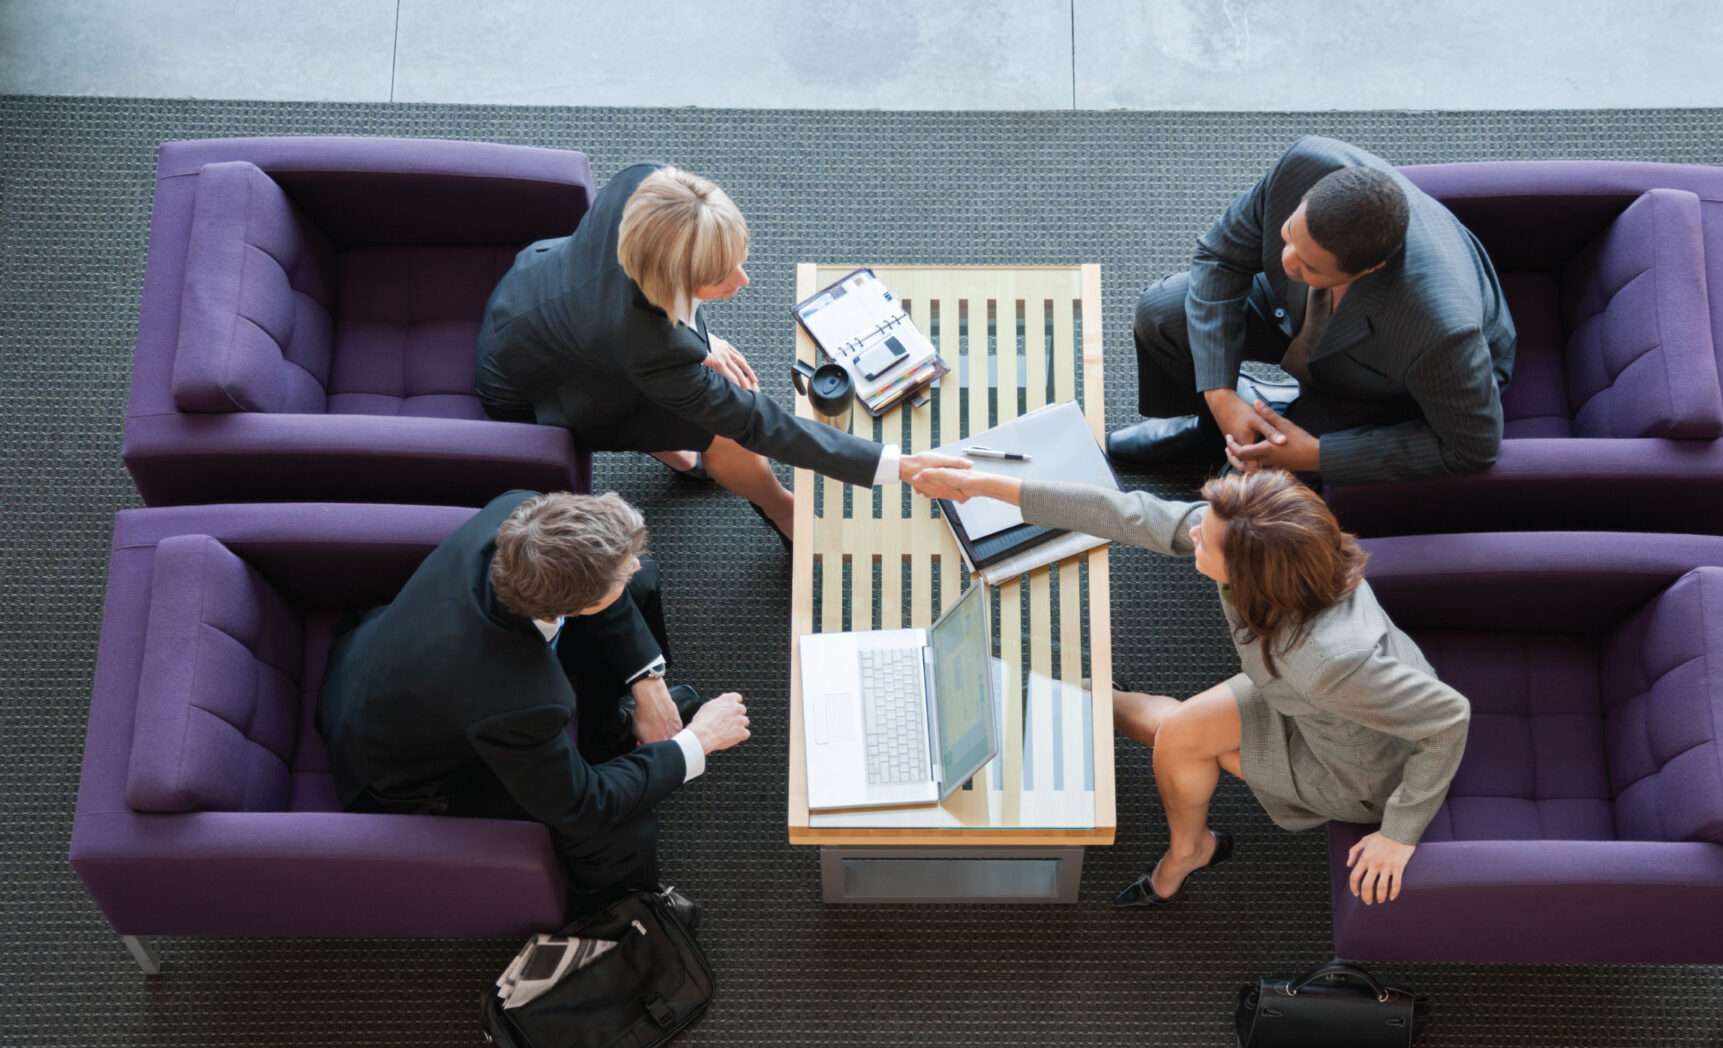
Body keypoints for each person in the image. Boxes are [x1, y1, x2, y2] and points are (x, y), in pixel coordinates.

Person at [910, 465, 1469, 909]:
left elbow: (1448, 718)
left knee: (1174, 739)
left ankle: (1185, 849)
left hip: (1349, 765)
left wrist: (1399, 832)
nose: (1195, 532)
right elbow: (1129, 514)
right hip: (1297, 700)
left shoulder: (1328, 659)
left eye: (1209, 540)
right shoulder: (1281, 555)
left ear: (1252, 577)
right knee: (1175, 735)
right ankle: (1090, 706)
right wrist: (984, 486)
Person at [473, 163, 966, 542]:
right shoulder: (650, 348)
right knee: (726, 431)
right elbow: (759, 423)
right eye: (720, 278)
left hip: (531, 293)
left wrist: (700, 340)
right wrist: (898, 465)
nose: (743, 282)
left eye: (738, 260)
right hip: (541, 382)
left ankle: (676, 449)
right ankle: (779, 508)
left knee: (686, 392)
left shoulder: (647, 186)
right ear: (672, 286)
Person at [316, 489, 749, 912]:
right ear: (576, 603)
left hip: (379, 659)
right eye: (619, 569)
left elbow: (601, 590)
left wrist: (647, 684)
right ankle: (618, 910)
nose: (632, 563)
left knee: (640, 585)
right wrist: (696, 742)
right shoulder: (520, 699)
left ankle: (608, 732)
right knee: (619, 828)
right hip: (402, 771)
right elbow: (583, 803)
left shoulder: (520, 515)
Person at [1109, 134, 1516, 486]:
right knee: (1161, 313)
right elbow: (1220, 257)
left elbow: (1474, 445)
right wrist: (1220, 397)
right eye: (1288, 237)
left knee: (1247, 494)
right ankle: (1211, 430)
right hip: (1302, 311)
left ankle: (1284, 423)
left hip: (1391, 377)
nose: (1286, 262)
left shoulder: (1441, 332)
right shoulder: (1304, 165)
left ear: (1369, 269)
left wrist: (1314, 454)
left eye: (1308, 266)